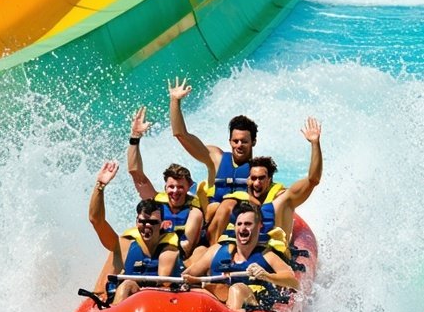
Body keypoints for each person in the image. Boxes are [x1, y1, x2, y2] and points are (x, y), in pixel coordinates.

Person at [167, 77, 282, 224]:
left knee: (229, 205)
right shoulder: (216, 158)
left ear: (253, 142)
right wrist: (175, 101)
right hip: (212, 223)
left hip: (242, 228)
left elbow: (275, 198)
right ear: (230, 141)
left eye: (244, 141)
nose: (239, 145)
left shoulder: (259, 172)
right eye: (235, 141)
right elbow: (181, 134)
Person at [205, 117, 323, 248]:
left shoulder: (282, 199)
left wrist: (315, 143)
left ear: (270, 180)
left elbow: (313, 180)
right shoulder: (242, 208)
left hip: (270, 259)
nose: (256, 183)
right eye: (253, 178)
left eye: (261, 178)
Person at [87, 160, 181, 305]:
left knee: (127, 285)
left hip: (162, 306)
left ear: (162, 224)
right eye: (142, 222)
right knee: (126, 285)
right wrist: (100, 186)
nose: (147, 226)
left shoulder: (171, 247)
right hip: (127, 308)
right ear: (136, 221)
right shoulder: (124, 245)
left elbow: (167, 279)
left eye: (153, 222)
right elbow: (96, 220)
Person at [185, 204, 298, 312]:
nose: (242, 228)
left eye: (248, 224)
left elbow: (293, 282)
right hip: (219, 301)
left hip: (252, 307)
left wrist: (267, 276)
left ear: (259, 226)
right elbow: (188, 275)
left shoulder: (267, 255)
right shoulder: (216, 251)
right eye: (239, 224)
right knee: (202, 289)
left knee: (237, 289)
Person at [126, 105, 204, 260]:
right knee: (127, 242)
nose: (175, 191)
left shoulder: (194, 211)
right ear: (165, 187)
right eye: (171, 187)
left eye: (180, 187)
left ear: (188, 187)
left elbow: (188, 246)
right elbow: (136, 174)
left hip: (182, 258)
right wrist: (135, 137)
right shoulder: (157, 203)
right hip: (155, 251)